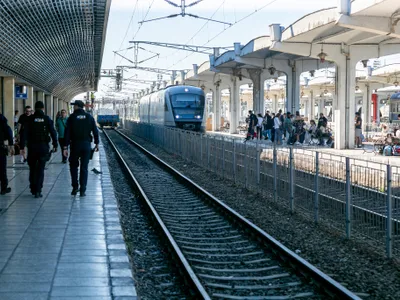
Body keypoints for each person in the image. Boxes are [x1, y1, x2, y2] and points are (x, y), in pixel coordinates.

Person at [20, 101, 57, 198]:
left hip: (32, 147)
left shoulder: (29, 119)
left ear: (34, 109)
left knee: (32, 168)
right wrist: (55, 144)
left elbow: (24, 134)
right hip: (43, 147)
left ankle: (32, 187)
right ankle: (38, 190)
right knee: (40, 169)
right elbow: (53, 132)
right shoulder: (47, 119)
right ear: (43, 109)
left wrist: (22, 147)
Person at [64, 100, 99, 197]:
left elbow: (67, 133)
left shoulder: (71, 118)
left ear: (77, 106)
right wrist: (96, 143)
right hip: (86, 145)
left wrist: (65, 147)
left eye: (74, 106)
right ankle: (83, 190)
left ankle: (75, 187)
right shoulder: (89, 117)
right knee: (84, 168)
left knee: (73, 166)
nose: (73, 107)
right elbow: (95, 131)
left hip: (75, 145)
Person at [0, 114, 14, 195]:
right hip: (0, 148)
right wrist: (11, 145)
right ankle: (3, 188)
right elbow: (9, 133)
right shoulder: (3, 122)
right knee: (2, 168)